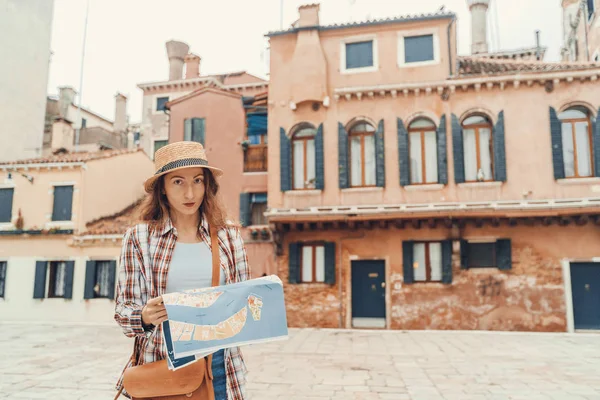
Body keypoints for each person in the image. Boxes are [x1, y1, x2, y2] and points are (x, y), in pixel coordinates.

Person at [114, 141, 250, 400]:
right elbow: (123, 313)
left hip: (220, 366)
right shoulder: (139, 238)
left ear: (207, 185)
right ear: (162, 189)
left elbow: (244, 304)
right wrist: (144, 316)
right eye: (178, 182)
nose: (190, 193)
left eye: (197, 181)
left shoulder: (229, 237)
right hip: (162, 366)